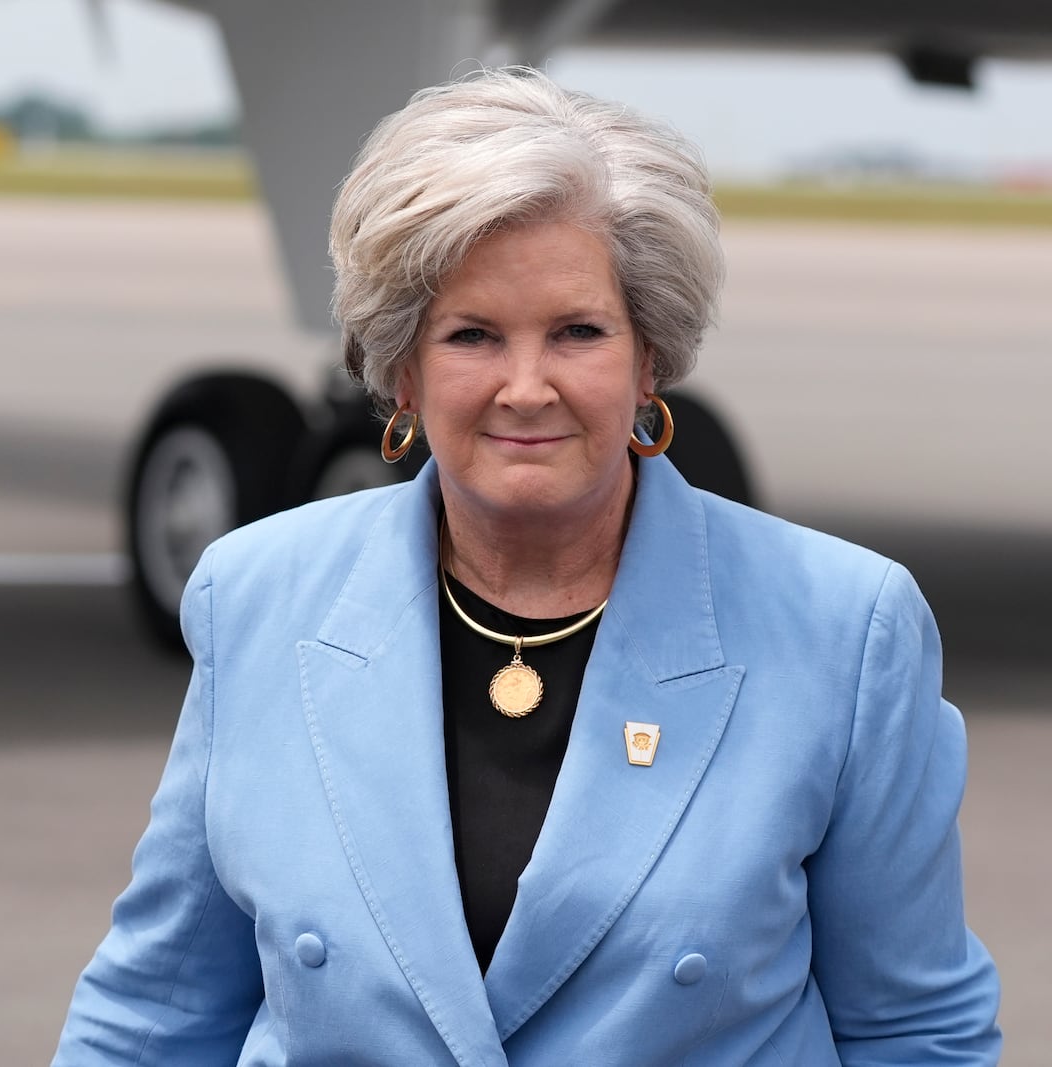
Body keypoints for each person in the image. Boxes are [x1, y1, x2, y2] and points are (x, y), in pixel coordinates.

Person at [53, 68, 1001, 1066]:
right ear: (403, 371)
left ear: (650, 359)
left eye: (577, 332)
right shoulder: (255, 597)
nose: (525, 386)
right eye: (472, 335)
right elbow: (153, 1012)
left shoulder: (847, 628)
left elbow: (914, 1032)